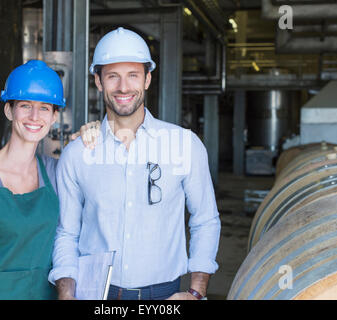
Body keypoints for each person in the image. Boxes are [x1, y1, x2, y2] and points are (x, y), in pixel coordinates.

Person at [50, 27, 221, 300]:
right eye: (112, 76)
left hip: (164, 296)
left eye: (133, 75)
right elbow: (66, 233)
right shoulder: (77, 154)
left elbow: (205, 221)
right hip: (94, 293)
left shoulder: (184, 146)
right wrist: (66, 294)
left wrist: (195, 292)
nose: (123, 87)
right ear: (98, 80)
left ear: (147, 79)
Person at [0, 60, 98, 300]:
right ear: (9, 110)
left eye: (45, 108)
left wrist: (91, 139)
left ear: (55, 116)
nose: (34, 116)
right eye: (25, 106)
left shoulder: (56, 172)